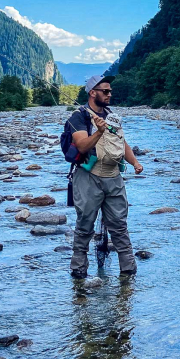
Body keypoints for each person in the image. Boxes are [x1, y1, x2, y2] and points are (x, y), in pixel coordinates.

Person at [66, 74, 144, 279]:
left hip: (113, 176)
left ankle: (128, 272)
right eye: (105, 91)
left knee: (119, 225)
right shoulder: (78, 116)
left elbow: (122, 143)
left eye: (110, 91)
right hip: (88, 175)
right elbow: (82, 145)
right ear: (93, 93)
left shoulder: (112, 116)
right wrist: (99, 131)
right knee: (85, 224)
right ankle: (78, 271)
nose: (110, 94)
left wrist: (134, 162)